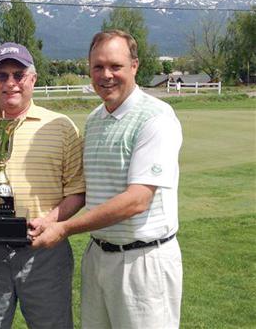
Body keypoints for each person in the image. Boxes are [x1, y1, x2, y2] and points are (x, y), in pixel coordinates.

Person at [32, 30, 183, 329]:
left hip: (143, 261)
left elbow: (137, 200)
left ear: (135, 66)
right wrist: (50, 220)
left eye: (115, 66)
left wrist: (63, 229)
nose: (106, 75)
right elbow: (89, 189)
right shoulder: (95, 118)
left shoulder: (157, 117)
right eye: (98, 67)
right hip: (99, 256)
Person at [0, 42, 85, 329]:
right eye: (1, 75)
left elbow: (76, 191)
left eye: (18, 74)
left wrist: (50, 221)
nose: (10, 82)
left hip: (45, 252)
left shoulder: (62, 127)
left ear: (33, 79)